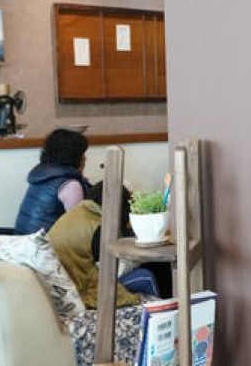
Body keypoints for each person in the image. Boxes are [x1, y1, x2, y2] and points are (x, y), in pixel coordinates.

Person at [48, 181, 172, 309]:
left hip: (64, 287)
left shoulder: (78, 214)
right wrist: (139, 259)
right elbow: (112, 271)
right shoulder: (98, 229)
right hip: (85, 292)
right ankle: (164, 312)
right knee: (147, 275)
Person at [15, 128, 90, 234]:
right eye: (82, 154)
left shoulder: (42, 174)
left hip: (23, 239)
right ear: (74, 156)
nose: (85, 158)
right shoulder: (70, 185)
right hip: (44, 243)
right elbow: (79, 228)